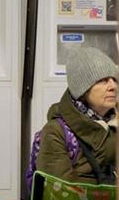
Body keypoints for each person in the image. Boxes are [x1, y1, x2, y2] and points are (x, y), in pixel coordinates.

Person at [36, 46, 117, 184]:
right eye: (102, 80)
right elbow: (60, 191)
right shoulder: (56, 131)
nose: (113, 86)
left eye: (114, 79)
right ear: (82, 90)